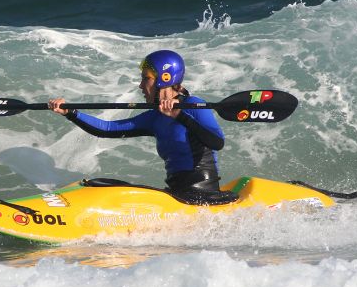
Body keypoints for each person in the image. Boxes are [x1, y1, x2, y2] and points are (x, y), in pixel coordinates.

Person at [48, 50, 226, 197]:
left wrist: (180, 116)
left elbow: (217, 142)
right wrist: (69, 112)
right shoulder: (154, 117)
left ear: (165, 79)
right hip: (176, 192)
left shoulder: (194, 106)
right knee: (103, 185)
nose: (141, 86)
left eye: (146, 78)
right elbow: (107, 129)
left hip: (203, 193)